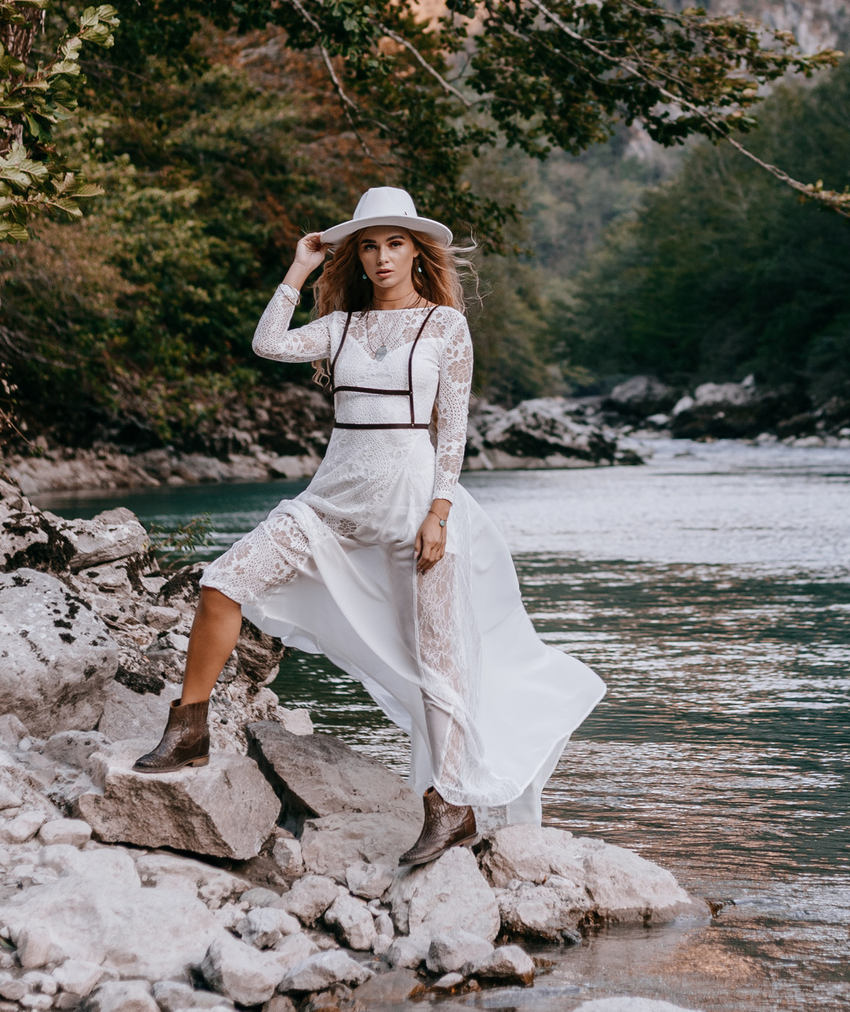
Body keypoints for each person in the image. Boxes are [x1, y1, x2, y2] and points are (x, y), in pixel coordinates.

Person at [130, 186, 605, 866]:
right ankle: (189, 730)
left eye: (395, 244)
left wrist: (440, 512)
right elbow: (268, 343)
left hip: (414, 505)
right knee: (222, 581)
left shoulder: (445, 327)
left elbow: (453, 430)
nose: (382, 257)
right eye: (370, 246)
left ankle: (450, 806)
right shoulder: (341, 326)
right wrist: (301, 268)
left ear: (417, 253)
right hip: (331, 500)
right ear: (356, 255)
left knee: (438, 659)